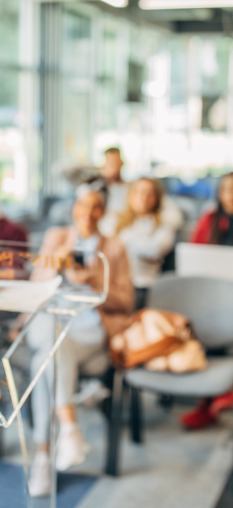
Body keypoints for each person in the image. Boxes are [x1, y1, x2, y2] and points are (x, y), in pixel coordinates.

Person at [27, 180, 134, 497]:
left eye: (95, 207)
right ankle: (69, 427)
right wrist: (56, 262)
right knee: (50, 335)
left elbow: (125, 301)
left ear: (103, 211)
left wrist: (93, 281)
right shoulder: (57, 237)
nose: (87, 213)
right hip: (50, 319)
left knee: (42, 362)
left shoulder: (115, 247)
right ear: (73, 208)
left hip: (87, 327)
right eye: (81, 205)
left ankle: (44, 456)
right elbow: (35, 284)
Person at [180, 172, 233, 430]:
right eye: (227, 190)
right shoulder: (209, 221)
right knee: (203, 322)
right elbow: (194, 258)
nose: (231, 195)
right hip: (213, 297)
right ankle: (208, 402)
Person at [115, 178, 176, 311]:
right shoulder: (118, 222)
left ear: (157, 198)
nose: (143, 198)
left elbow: (155, 249)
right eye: (139, 192)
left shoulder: (163, 224)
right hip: (117, 283)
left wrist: (125, 240)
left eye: (149, 193)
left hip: (146, 285)